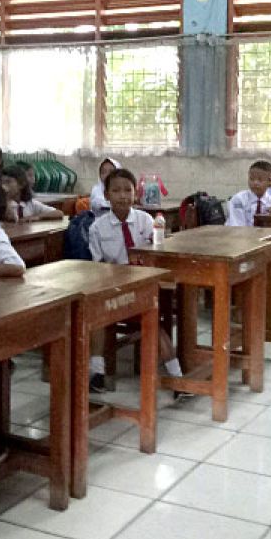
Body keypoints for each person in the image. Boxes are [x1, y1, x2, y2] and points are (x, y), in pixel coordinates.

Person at [87, 168, 187, 397]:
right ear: (106, 194)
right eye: (116, 191)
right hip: (114, 287)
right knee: (98, 316)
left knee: (153, 320)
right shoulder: (97, 228)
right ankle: (97, 374)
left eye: (127, 190)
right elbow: (97, 266)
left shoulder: (145, 220)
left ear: (135, 193)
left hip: (143, 285)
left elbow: (158, 250)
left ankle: (177, 378)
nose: (122, 196)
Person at [225, 160, 271, 227]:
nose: (255, 183)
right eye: (251, 179)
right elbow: (237, 227)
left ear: (270, 181)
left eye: (260, 180)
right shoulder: (239, 199)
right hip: (238, 235)